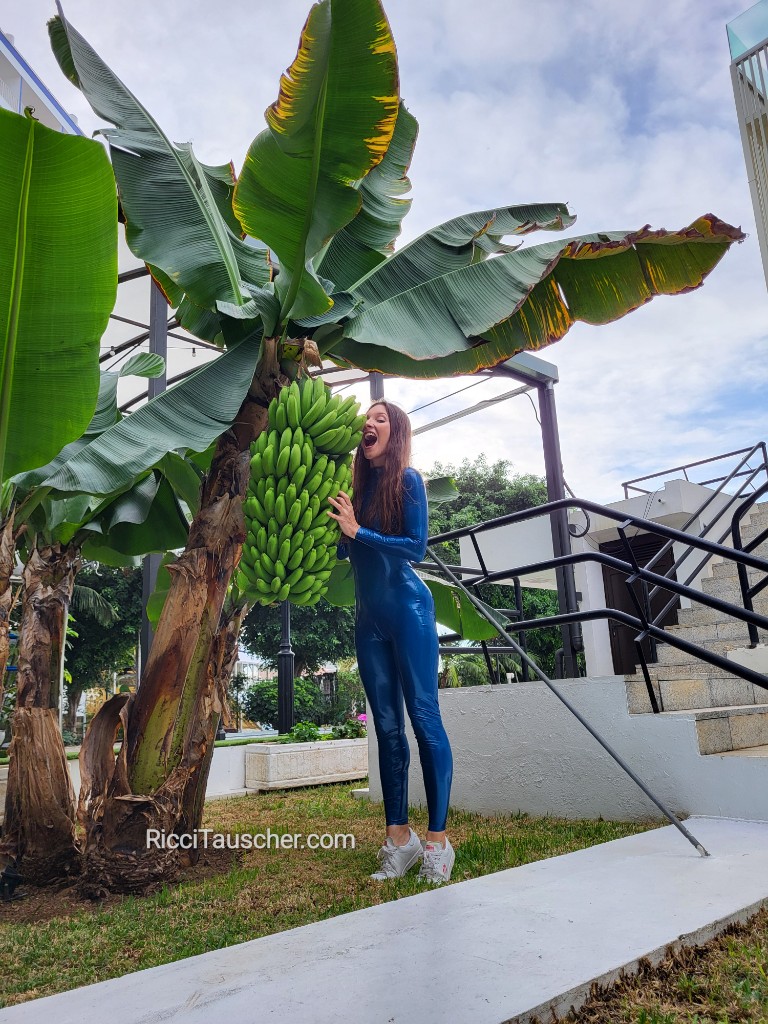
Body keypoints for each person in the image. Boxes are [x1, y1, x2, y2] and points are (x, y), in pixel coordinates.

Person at [328, 401, 455, 884]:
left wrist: (359, 530)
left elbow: (416, 547)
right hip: (369, 621)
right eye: (368, 418)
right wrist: (343, 530)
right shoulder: (354, 492)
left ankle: (439, 843)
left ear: (396, 432)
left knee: (424, 718)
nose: (370, 423)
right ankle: (399, 840)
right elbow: (348, 548)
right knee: (386, 728)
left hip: (410, 612)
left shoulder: (409, 481)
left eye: (381, 418)